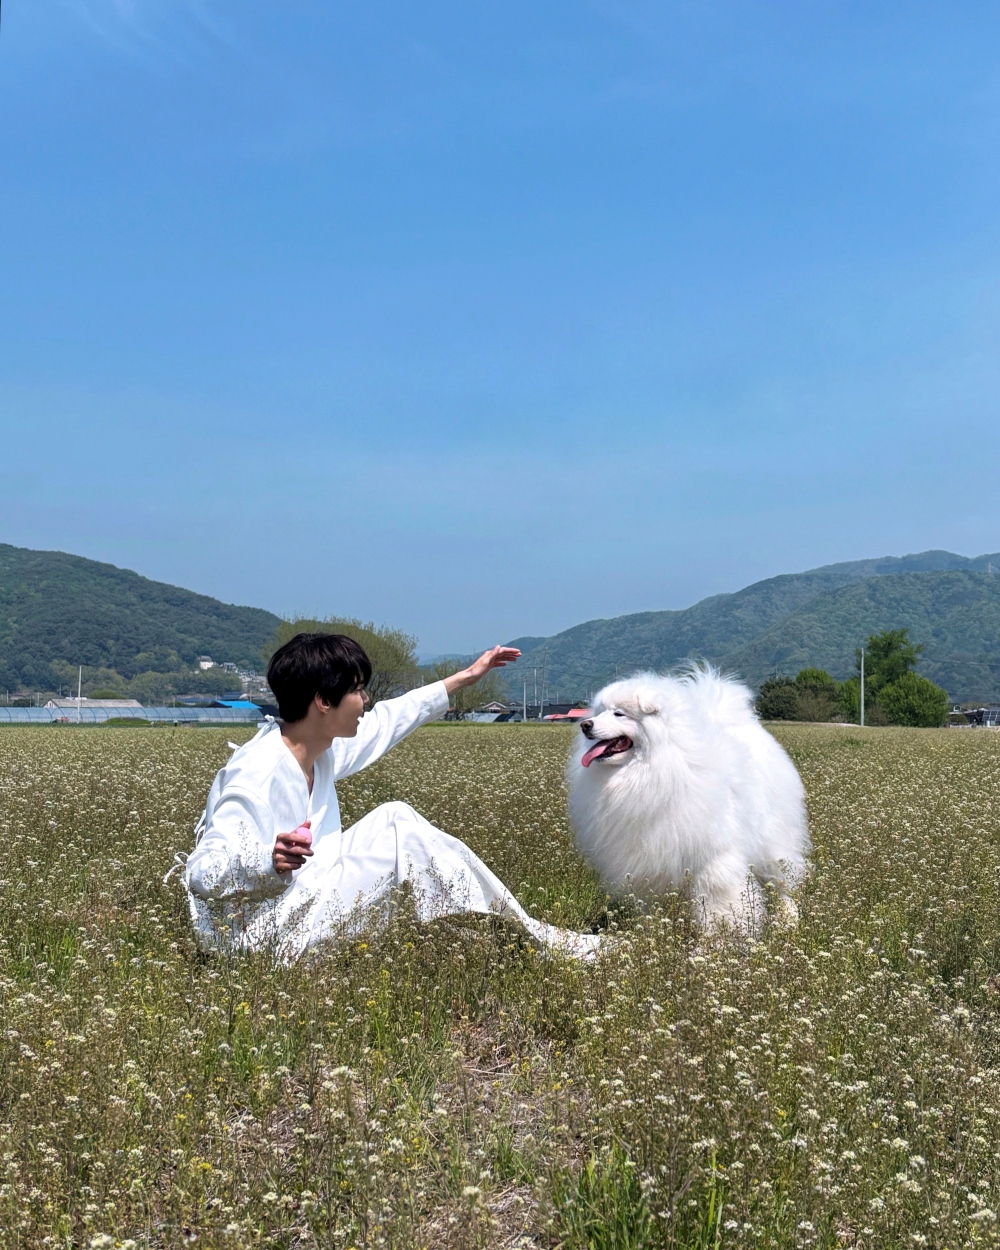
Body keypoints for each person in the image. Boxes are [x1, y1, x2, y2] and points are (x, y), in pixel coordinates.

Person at [175, 633, 600, 962]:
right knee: (405, 837)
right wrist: (267, 861)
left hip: (302, 899)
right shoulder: (258, 772)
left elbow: (388, 720)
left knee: (395, 815)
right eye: (358, 690)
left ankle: (496, 928)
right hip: (263, 939)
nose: (366, 701)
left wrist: (464, 678)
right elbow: (202, 873)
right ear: (323, 701)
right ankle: (539, 941)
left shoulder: (315, 749)